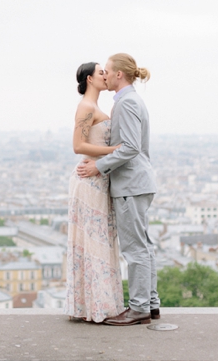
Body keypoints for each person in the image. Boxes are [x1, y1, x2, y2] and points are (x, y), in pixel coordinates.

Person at [77, 53, 159, 326]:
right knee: (144, 247)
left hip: (130, 184)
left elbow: (130, 147)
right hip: (139, 183)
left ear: (118, 75)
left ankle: (138, 308)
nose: (106, 76)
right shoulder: (132, 100)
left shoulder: (124, 103)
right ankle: (150, 303)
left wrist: (100, 167)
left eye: (108, 72)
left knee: (135, 249)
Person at [65, 61, 125, 323]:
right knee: (95, 243)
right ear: (89, 79)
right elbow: (78, 145)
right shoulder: (86, 107)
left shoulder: (95, 107)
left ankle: (95, 305)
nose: (105, 75)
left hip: (97, 179)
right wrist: (115, 151)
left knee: (98, 242)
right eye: (101, 72)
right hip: (88, 182)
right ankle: (97, 306)